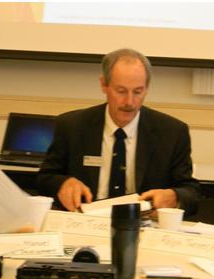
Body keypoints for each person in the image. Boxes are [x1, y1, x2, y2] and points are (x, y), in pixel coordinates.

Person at [37, 48, 200, 216]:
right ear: (104, 85)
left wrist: (174, 197)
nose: (129, 102)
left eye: (138, 91)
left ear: (147, 88)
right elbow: (44, 179)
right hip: (85, 221)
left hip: (143, 225)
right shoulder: (72, 125)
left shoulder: (172, 132)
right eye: (121, 91)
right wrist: (63, 183)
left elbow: (192, 194)